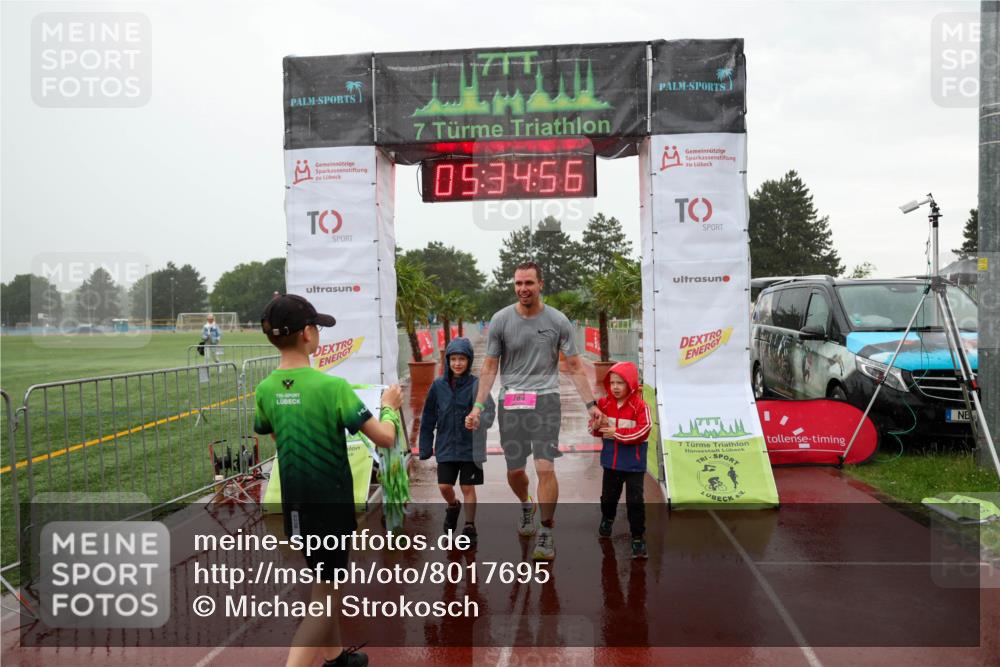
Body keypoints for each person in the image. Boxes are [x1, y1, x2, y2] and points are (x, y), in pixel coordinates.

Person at [253, 294, 403, 667]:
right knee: (327, 597)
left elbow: (274, 438)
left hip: (297, 508)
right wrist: (389, 406)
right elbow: (384, 437)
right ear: (307, 334)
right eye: (316, 327)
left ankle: (336, 658)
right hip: (331, 508)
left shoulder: (265, 390)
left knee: (324, 583)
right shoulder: (333, 388)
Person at [467, 261, 604, 561]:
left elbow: (575, 366)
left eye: (528, 283)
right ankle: (526, 505)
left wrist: (590, 405)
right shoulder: (501, 320)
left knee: (545, 467)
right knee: (515, 471)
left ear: (541, 284)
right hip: (511, 403)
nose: (523, 289)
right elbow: (489, 367)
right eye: (518, 283)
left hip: (546, 402)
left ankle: (546, 530)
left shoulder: (558, 321)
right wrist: (478, 405)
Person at [418, 337, 496, 546]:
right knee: (444, 486)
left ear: (469, 361)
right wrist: (425, 447)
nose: (458, 363)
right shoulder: (438, 386)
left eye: (462, 359)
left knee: (468, 487)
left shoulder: (476, 385)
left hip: (470, 448)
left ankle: (469, 526)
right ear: (447, 361)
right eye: (453, 359)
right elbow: (428, 418)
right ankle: (453, 506)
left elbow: (490, 412)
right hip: (445, 446)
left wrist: (479, 420)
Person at [590, 361, 651, 559]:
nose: (615, 387)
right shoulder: (603, 404)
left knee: (635, 502)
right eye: (612, 382)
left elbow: (644, 430)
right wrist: (597, 426)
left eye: (621, 383)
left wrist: (617, 433)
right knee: (608, 499)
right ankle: (607, 518)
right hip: (611, 463)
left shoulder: (640, 406)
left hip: (634, 465)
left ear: (631, 383)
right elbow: (593, 430)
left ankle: (638, 538)